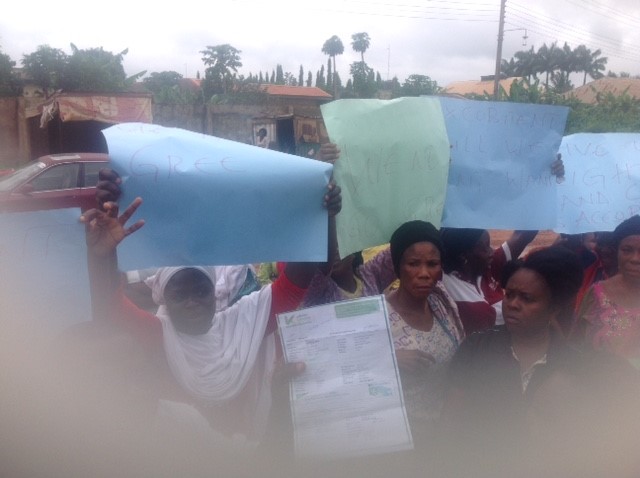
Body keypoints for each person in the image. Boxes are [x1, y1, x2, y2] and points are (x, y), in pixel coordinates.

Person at [81, 169, 342, 448]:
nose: (192, 301)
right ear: (164, 299)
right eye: (180, 295)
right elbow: (108, 304)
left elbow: (295, 283)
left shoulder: (243, 323)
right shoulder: (158, 335)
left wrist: (319, 214)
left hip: (251, 459)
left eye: (201, 291)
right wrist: (102, 254)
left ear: (214, 292)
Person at [439, 246, 586, 474]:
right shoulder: (476, 349)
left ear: (554, 308)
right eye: (509, 295)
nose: (513, 304)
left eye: (527, 298)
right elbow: (451, 421)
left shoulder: (574, 365)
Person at [384, 220, 465, 448]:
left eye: (432, 264)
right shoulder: (379, 318)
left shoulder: (441, 303)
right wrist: (387, 360)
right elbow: (350, 371)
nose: (424, 274)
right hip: (404, 445)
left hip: (447, 436)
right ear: (397, 267)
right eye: (413, 264)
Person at [574, 215, 640, 363]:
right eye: (627, 250)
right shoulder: (597, 293)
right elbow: (576, 344)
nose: (635, 259)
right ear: (617, 252)